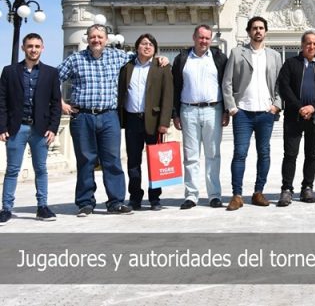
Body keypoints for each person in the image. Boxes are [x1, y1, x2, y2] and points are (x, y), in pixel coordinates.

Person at [58, 23, 135, 216]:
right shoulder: (75, 59)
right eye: (93, 37)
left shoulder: (117, 56)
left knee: (112, 160)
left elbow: (140, 58)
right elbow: (52, 80)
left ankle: (116, 202)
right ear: (87, 38)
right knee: (86, 160)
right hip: (82, 116)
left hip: (109, 116)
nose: (96, 40)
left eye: (100, 37)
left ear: (106, 40)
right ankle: (85, 202)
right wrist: (61, 104)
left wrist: (160, 58)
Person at [222, 16, 282, 210]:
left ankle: (258, 192)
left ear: (265, 32)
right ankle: (237, 195)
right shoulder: (237, 53)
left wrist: (276, 106)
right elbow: (227, 82)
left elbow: (280, 84)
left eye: (261, 28)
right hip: (243, 113)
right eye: (254, 28)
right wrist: (232, 107)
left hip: (266, 113)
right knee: (240, 153)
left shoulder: (274, 56)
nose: (258, 31)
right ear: (249, 32)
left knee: (264, 153)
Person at [0, 33, 61, 224]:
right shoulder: (9, 71)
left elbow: (55, 103)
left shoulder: (51, 73)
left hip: (40, 130)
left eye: (37, 46)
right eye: (30, 46)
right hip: (16, 128)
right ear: (23, 48)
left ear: (42, 48)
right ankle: (6, 209)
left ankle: (42, 207)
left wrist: (53, 127)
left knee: (41, 169)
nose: (33, 49)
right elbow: (1, 101)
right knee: (12, 170)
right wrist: (2, 127)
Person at [172, 24, 228, 210]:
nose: (204, 41)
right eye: (200, 37)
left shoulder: (219, 58)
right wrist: (175, 113)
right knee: (191, 156)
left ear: (211, 39)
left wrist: (227, 110)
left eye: (207, 38)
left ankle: (214, 195)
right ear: (194, 37)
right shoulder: (182, 59)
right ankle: (191, 195)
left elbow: (226, 86)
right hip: (188, 111)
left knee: (213, 155)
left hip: (213, 110)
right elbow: (175, 87)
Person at [275, 30, 315, 207]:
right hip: (294, 117)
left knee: (311, 155)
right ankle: (286, 189)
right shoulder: (290, 64)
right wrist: (299, 107)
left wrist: (313, 107)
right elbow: (284, 88)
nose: (311, 46)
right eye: (308, 43)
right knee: (290, 154)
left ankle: (307, 187)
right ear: (302, 45)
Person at [117, 33, 173, 210]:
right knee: (133, 162)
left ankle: (155, 198)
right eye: (143, 44)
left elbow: (168, 96)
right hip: (132, 120)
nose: (147, 46)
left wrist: (165, 122)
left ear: (155, 49)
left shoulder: (161, 67)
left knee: (155, 161)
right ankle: (135, 197)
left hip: (154, 121)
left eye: (150, 44)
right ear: (137, 47)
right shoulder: (127, 67)